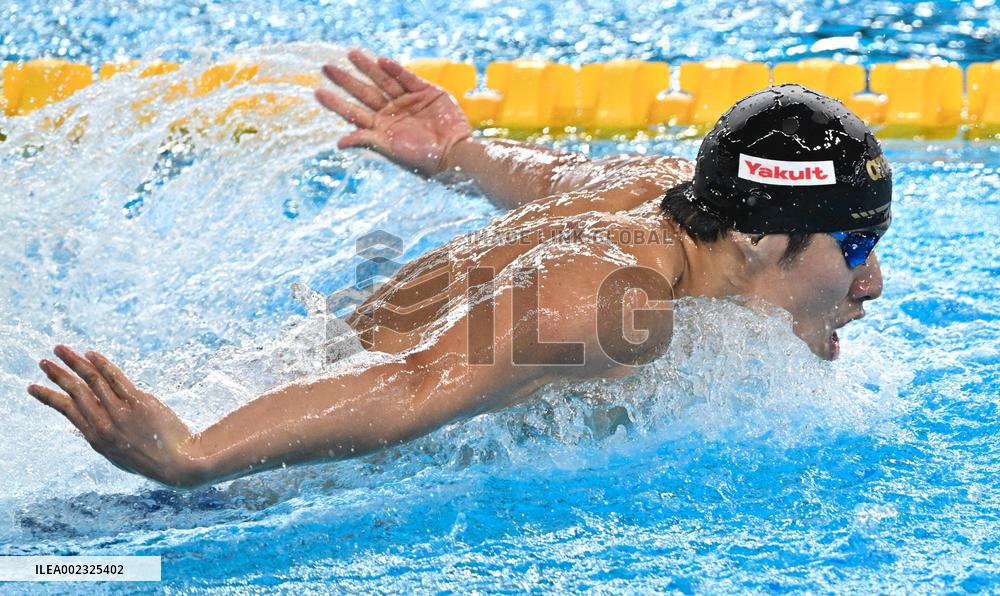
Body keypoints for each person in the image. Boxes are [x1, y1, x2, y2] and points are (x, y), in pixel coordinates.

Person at [26, 49, 892, 489]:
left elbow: (551, 176)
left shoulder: (658, 194)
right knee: (63, 569)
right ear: (755, 239)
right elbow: (410, 384)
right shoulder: (609, 306)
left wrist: (461, 152)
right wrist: (194, 457)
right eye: (852, 248)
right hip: (260, 454)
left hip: (281, 369)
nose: (872, 282)